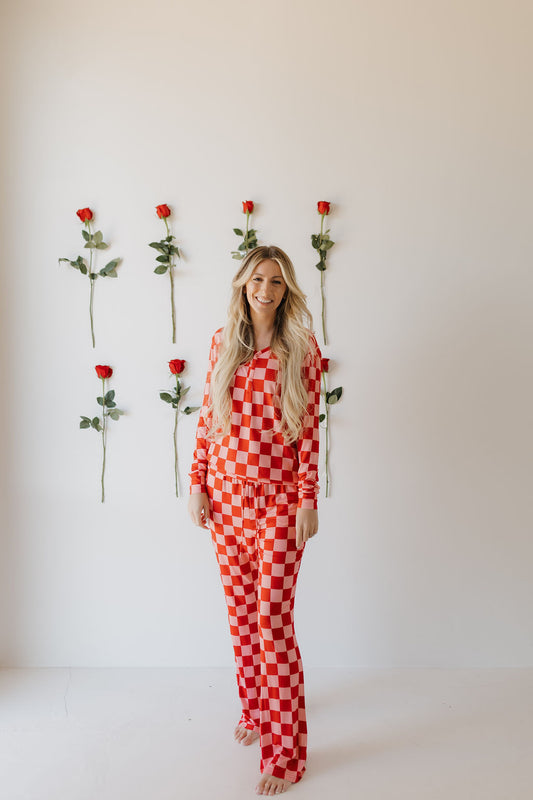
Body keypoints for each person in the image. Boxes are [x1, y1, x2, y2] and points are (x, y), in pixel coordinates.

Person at [188, 245, 322, 796]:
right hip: (226, 503)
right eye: (256, 279)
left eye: (275, 280)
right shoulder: (224, 344)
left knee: (271, 620)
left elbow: (310, 432)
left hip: (279, 503)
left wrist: (307, 499)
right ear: (243, 285)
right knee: (243, 619)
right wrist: (197, 484)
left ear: (286, 288)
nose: (265, 289)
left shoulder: (302, 350)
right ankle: (255, 710)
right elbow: (206, 420)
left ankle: (287, 754)